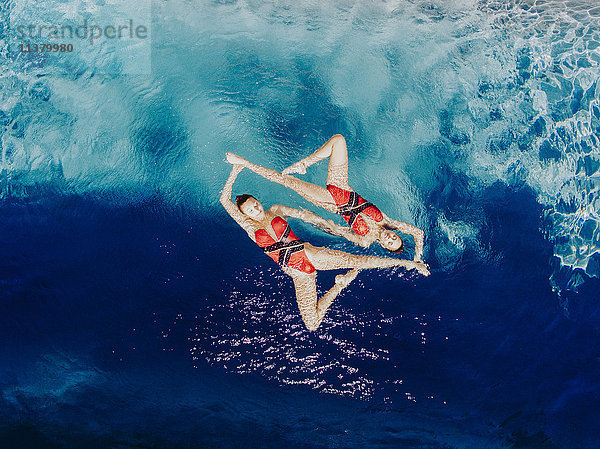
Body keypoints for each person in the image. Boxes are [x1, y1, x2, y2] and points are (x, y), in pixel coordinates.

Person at [220, 159, 429, 331]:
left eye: (255, 204)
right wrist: (234, 172)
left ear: (258, 200)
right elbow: (224, 200)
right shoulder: (247, 226)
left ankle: (408, 264)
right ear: (245, 214)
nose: (255, 209)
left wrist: (320, 222)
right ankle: (340, 285)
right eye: (250, 210)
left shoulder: (275, 210)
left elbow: (302, 215)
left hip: (310, 254)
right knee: (311, 324)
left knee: (361, 261)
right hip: (299, 274)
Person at [225, 134, 425, 261]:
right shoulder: (390, 222)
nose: (391, 238)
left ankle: (245, 163)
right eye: (395, 238)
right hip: (342, 186)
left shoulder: (365, 240)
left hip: (331, 201)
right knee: (338, 140)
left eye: (390, 243)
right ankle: (304, 163)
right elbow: (419, 233)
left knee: (286, 181)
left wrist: (318, 221)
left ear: (384, 246)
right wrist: (417, 256)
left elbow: (338, 231)